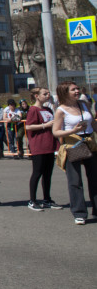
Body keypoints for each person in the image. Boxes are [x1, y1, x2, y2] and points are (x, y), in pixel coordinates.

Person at [52, 81, 97, 225]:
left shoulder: (84, 104)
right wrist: (73, 131)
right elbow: (55, 132)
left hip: (90, 142)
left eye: (77, 89)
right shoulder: (61, 110)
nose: (77, 91)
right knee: (75, 180)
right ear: (65, 93)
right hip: (73, 144)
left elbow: (93, 123)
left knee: (95, 178)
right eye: (73, 90)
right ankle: (79, 213)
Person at [24, 87, 61, 211]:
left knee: (47, 173)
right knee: (37, 172)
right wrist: (45, 125)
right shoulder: (33, 110)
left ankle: (47, 199)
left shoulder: (48, 109)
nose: (47, 95)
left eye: (48, 93)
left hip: (49, 144)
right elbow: (28, 126)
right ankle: (32, 200)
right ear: (37, 96)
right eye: (45, 94)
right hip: (38, 145)